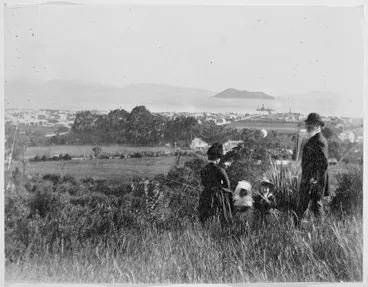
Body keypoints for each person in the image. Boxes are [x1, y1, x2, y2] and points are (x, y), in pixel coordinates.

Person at [295, 113, 329, 226]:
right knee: (307, 204)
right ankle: (298, 228)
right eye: (308, 123)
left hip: (314, 180)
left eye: (312, 124)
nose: (308, 126)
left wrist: (314, 178)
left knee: (316, 205)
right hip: (309, 179)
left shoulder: (319, 140)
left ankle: (319, 230)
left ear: (318, 125)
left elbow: (323, 163)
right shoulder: (314, 139)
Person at [198, 143, 232, 225]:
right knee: (224, 215)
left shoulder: (203, 170)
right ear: (218, 158)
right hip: (217, 196)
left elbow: (203, 183)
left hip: (205, 195)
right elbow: (227, 185)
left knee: (204, 217)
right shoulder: (220, 170)